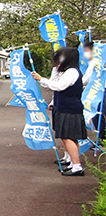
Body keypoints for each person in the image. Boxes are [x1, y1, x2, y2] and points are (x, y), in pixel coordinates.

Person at [32, 47, 87, 176]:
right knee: (70, 137)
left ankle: (77, 166)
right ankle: (74, 164)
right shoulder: (69, 71)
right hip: (68, 108)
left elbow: (58, 86)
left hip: (69, 109)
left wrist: (41, 79)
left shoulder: (72, 72)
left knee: (68, 137)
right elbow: (53, 84)